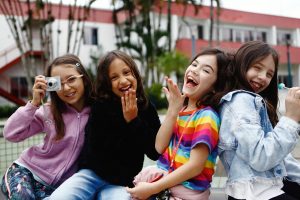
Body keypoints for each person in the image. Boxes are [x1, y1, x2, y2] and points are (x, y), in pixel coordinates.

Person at [48, 50, 161, 200]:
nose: (123, 80)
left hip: (121, 184)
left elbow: (154, 152)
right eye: (114, 77)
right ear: (107, 83)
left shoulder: (146, 108)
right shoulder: (101, 106)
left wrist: (133, 121)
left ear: (135, 74)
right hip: (90, 176)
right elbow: (99, 150)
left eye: (127, 72)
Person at [126, 48, 232, 200]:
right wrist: (172, 111)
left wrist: (152, 188)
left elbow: (195, 166)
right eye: (194, 64)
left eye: (206, 70)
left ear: (216, 86)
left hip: (185, 192)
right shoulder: (180, 110)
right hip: (164, 186)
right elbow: (159, 147)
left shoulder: (206, 116)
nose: (195, 71)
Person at [0, 54, 94, 199]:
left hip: (58, 186)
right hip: (25, 172)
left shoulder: (98, 113)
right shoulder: (49, 111)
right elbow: (10, 134)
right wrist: (34, 104)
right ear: (51, 85)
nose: (66, 87)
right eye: (59, 83)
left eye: (71, 79)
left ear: (84, 78)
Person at [216, 41, 300, 200]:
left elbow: (281, 160)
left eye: (269, 74)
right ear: (242, 64)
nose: (263, 77)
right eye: (257, 68)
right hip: (256, 193)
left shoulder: (253, 103)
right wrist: (291, 118)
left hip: (265, 188)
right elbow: (260, 157)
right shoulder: (241, 100)